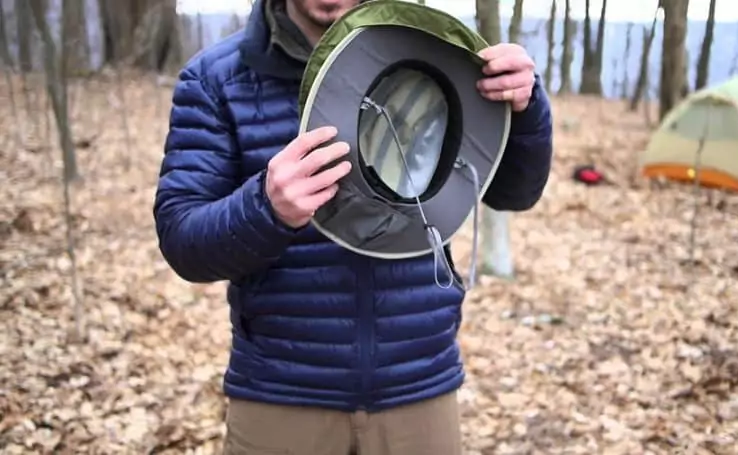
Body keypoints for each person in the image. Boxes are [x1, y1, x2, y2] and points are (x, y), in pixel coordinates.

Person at [152, 0, 553, 453]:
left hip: (418, 389)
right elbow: (183, 238)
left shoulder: (436, 55)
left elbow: (513, 193)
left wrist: (525, 109)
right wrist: (265, 207)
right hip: (281, 394)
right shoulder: (218, 78)